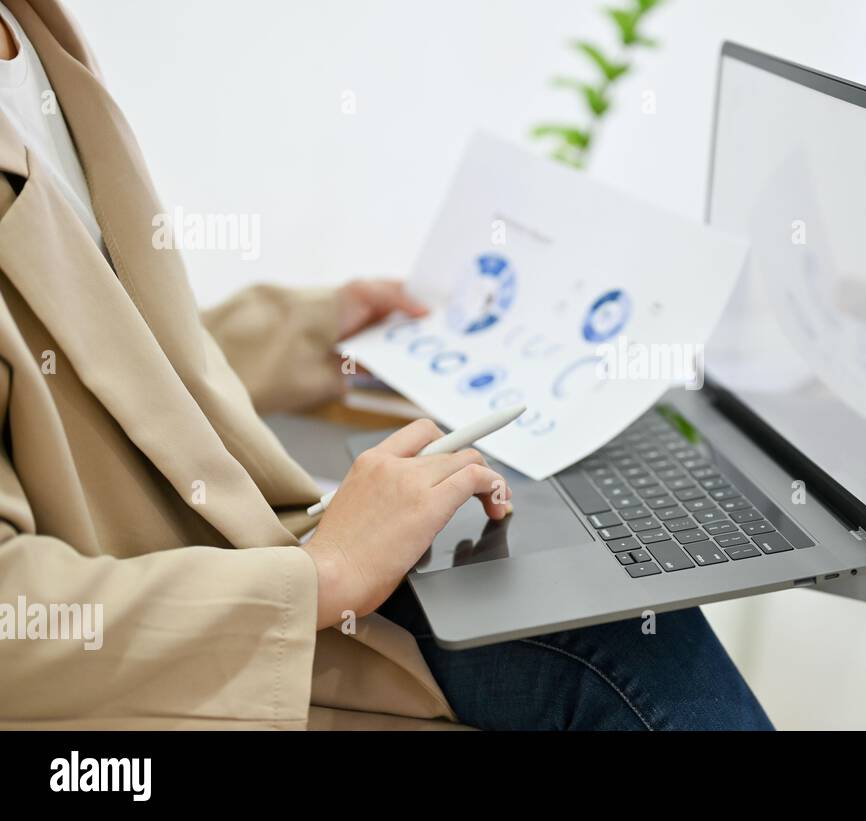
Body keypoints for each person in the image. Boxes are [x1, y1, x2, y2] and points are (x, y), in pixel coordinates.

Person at [0, 0, 770, 730]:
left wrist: (310, 333)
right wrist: (317, 580)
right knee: (623, 646)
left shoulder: (32, 32)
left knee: (608, 608)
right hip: (181, 644)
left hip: (248, 566)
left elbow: (94, 358)